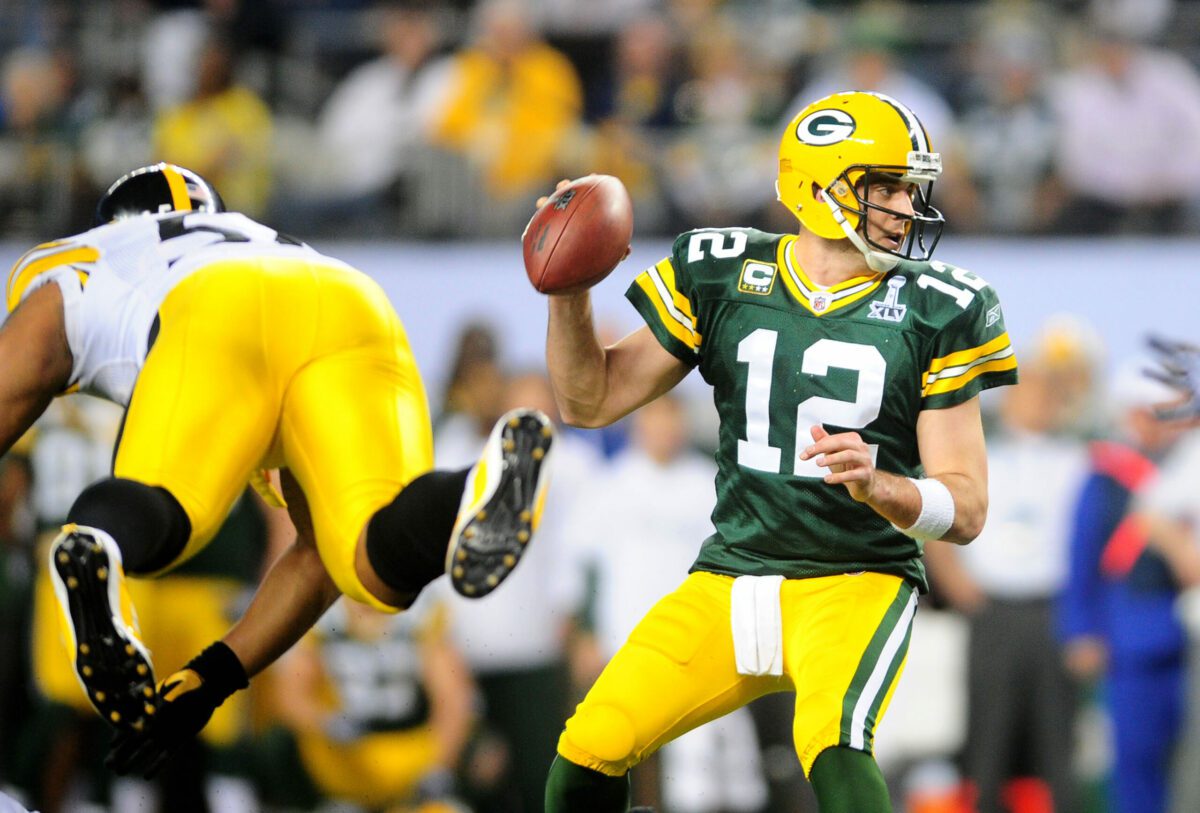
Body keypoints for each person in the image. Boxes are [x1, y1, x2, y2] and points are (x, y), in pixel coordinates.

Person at [536, 90, 1019, 813]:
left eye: (909, 187)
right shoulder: (723, 269)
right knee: (587, 748)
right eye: (883, 185)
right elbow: (589, 400)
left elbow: (969, 506)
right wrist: (567, 293)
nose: (905, 204)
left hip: (855, 577)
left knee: (832, 742)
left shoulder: (942, 306)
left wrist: (884, 486)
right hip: (733, 572)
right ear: (817, 188)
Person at [0, 161, 554, 777]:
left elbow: (21, 373)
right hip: (353, 300)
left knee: (165, 508)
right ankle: (473, 484)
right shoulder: (257, 235)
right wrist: (211, 678)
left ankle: (96, 543)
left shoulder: (85, 261)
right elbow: (315, 562)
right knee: (370, 568)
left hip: (217, 308)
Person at [1058, 359, 1192, 813]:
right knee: (1135, 761)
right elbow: (1082, 560)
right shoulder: (1107, 475)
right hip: (1132, 631)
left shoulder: (1187, 468)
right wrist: (1081, 631)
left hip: (1184, 631)